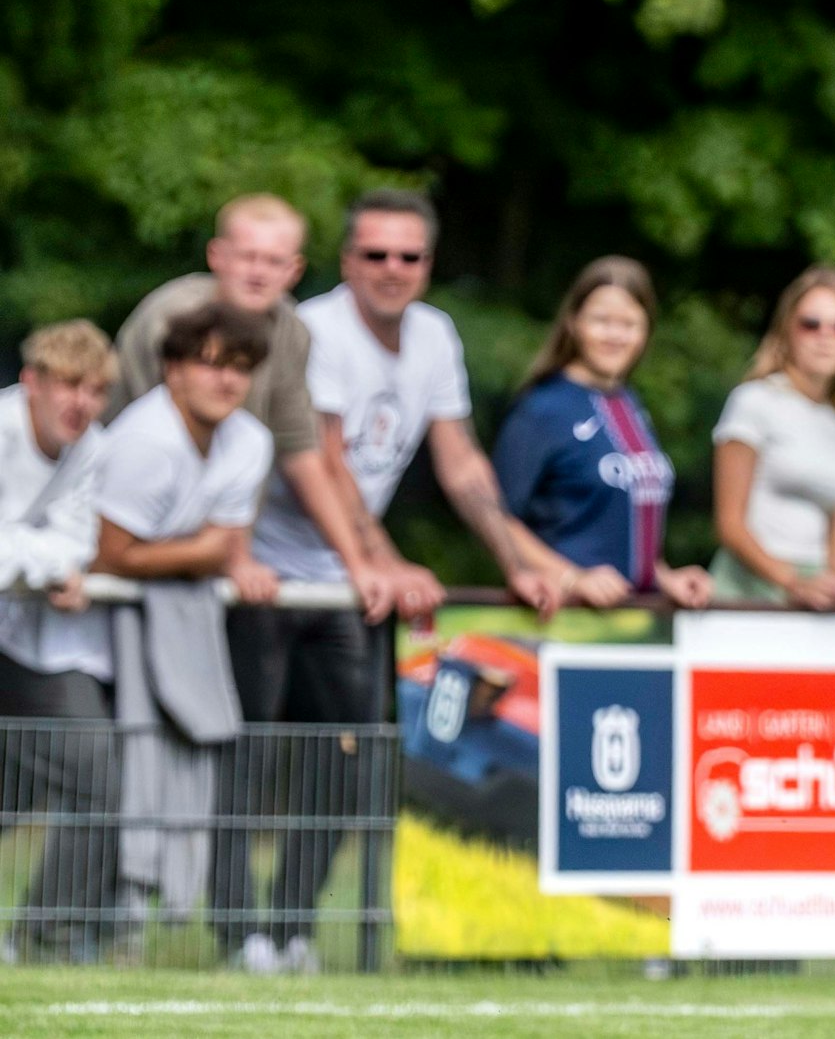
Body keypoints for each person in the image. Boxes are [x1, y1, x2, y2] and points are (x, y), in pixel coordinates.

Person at [227, 188, 561, 973]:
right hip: (271, 570)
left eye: (408, 255)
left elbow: (460, 459)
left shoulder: (435, 336)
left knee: (342, 760)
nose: (392, 268)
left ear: (428, 264)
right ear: (348, 262)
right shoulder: (317, 328)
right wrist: (382, 561)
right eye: (374, 253)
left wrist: (517, 559)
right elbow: (327, 462)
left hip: (347, 581)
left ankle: (296, 930)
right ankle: (240, 934)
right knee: (246, 760)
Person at [106, 193, 396, 622]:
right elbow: (155, 444)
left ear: (294, 270)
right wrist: (227, 555)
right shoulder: (171, 318)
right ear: (217, 256)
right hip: (134, 524)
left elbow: (302, 454)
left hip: (215, 544)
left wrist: (357, 564)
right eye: (247, 257)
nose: (258, 273)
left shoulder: (292, 333)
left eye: (274, 261)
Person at [92, 304, 278, 954]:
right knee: (89, 774)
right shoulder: (146, 439)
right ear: (172, 370)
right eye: (210, 363)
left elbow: (225, 542)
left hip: (178, 621)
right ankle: (56, 927)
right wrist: (203, 552)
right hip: (91, 625)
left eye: (240, 367)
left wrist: (213, 551)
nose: (226, 380)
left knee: (164, 766)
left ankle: (120, 928)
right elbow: (109, 554)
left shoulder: (250, 440)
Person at [493, 255, 712, 609]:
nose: (615, 335)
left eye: (629, 323)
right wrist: (570, 578)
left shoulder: (630, 404)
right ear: (572, 322)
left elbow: (621, 522)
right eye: (601, 320)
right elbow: (496, 516)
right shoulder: (543, 407)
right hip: (565, 620)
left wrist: (663, 576)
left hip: (635, 622)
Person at [0, 321, 117, 962]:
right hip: (25, 621)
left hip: (26, 642)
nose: (81, 403)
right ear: (32, 384)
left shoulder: (90, 446)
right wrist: (40, 561)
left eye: (95, 390)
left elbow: (78, 543)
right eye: (69, 385)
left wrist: (32, 558)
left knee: (95, 770)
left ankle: (38, 934)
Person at [710, 263, 835, 616]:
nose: (826, 335)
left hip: (812, 602)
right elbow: (730, 526)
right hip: (745, 598)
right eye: (810, 323)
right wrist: (792, 582)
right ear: (786, 332)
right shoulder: (754, 401)